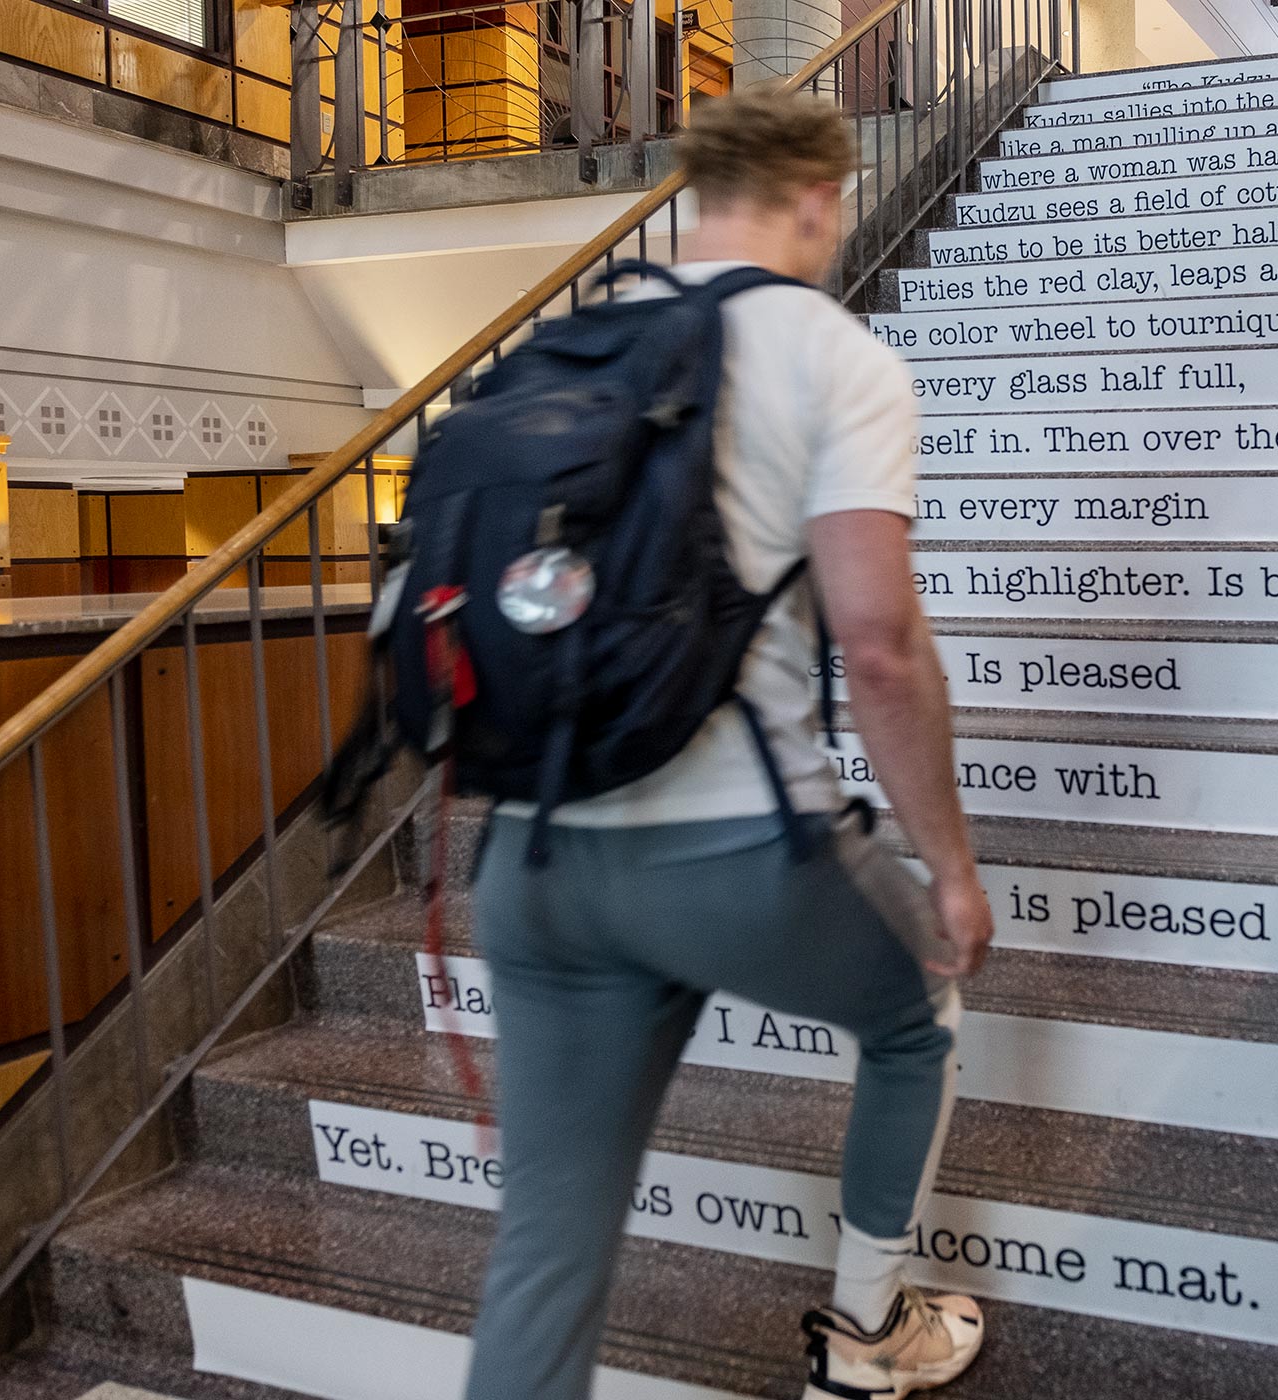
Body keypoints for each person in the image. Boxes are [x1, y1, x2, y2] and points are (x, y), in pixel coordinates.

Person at [462, 86, 996, 1400]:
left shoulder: (573, 342)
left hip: (530, 863)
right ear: (820, 196)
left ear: (702, 199)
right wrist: (953, 868)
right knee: (920, 1002)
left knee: (546, 1244)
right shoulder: (832, 353)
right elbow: (877, 642)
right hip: (735, 854)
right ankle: (871, 1341)